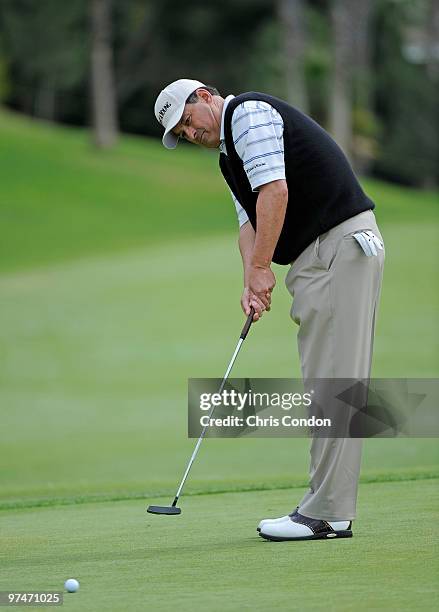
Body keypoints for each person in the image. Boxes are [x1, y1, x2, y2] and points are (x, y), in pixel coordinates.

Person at [154, 79, 385, 542]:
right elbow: (249, 220)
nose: (188, 132)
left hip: (338, 246)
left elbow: (274, 193)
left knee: (335, 384)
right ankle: (326, 507)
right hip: (318, 255)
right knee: (324, 382)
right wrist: (251, 280)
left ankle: (328, 514)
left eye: (187, 120)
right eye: (180, 132)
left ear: (205, 96)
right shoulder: (229, 156)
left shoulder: (248, 115)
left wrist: (263, 265)